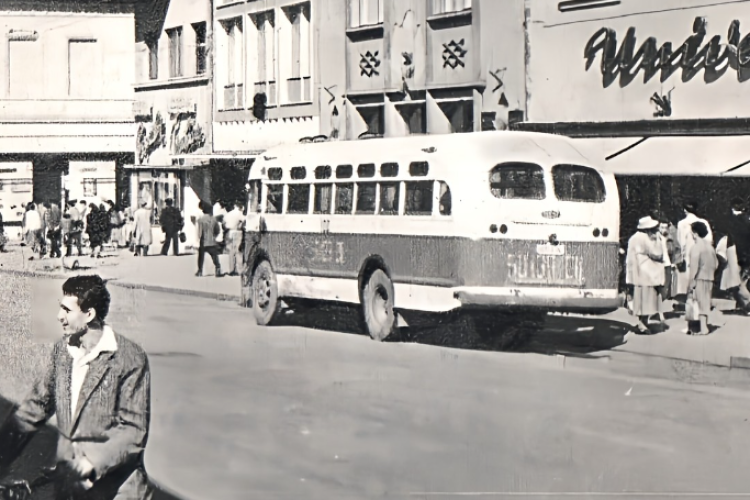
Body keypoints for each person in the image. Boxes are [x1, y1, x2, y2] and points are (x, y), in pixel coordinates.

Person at [0, 275, 152, 499]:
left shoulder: (129, 358)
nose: (59, 316)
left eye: (67, 310)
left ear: (89, 315)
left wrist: (86, 467)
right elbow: (34, 408)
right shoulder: (63, 352)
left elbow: (132, 432)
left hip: (117, 490)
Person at [626, 215, 665, 334]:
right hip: (647, 273)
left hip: (637, 274)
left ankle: (642, 323)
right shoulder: (647, 239)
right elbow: (657, 253)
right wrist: (658, 240)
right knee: (647, 300)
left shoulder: (633, 238)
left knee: (640, 299)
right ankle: (643, 324)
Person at [716, 198, 750, 314]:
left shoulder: (732, 221)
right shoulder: (747, 220)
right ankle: (742, 304)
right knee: (743, 280)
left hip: (735, 253)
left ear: (732, 208)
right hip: (747, 255)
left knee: (736, 282)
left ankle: (747, 303)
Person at [686, 221, 719, 335]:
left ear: (695, 233)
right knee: (705, 301)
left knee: (698, 302)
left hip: (699, 277)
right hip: (709, 276)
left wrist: (691, 282)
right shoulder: (710, 247)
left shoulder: (696, 247)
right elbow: (716, 263)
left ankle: (702, 328)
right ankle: (703, 326)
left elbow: (694, 267)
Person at [676, 201, 712, 299]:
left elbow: (680, 242)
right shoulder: (704, 222)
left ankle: (690, 297)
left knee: (690, 274)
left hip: (689, 252)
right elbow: (709, 239)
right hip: (704, 251)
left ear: (685, 210)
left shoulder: (681, 224)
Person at [241, 191, 266, 307]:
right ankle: (247, 300)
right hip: (253, 248)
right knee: (249, 275)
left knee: (246, 275)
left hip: (250, 250)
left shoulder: (250, 218)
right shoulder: (259, 218)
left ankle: (245, 300)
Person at [655, 212, 682, 318]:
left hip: (667, 265)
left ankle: (659, 309)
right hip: (658, 266)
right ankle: (658, 312)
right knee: (658, 289)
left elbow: (677, 249)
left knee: (665, 290)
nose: (663, 230)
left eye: (665, 227)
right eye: (661, 227)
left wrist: (675, 263)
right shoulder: (655, 238)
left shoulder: (670, 238)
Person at [195, 202, 223, 277]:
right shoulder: (214, 219)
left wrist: (199, 238)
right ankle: (218, 269)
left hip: (203, 241)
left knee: (201, 257)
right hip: (212, 240)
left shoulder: (201, 219)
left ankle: (200, 271)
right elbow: (217, 230)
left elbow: (199, 231)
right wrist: (214, 236)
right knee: (214, 256)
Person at [224, 201, 245, 276]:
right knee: (238, 251)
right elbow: (245, 220)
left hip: (229, 232)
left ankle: (231, 269)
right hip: (237, 232)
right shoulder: (239, 214)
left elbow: (224, 223)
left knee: (231, 252)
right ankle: (239, 270)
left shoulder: (228, 214)